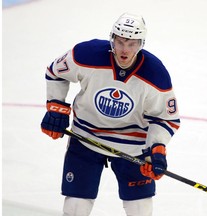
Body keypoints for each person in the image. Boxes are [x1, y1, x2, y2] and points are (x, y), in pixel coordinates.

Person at [41, 12, 180, 216]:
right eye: (120, 42)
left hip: (132, 148)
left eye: (132, 44)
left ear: (141, 44)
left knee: (140, 210)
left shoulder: (155, 74)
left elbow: (166, 117)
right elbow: (55, 72)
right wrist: (56, 106)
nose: (125, 50)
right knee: (75, 208)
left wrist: (156, 149)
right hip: (86, 138)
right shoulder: (86, 54)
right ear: (112, 38)